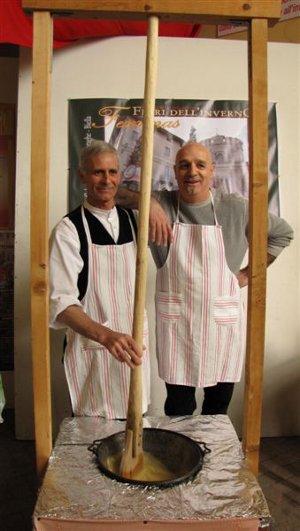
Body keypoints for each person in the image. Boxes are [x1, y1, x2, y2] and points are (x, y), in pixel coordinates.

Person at [117, 141, 294, 416]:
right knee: (178, 405)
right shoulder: (162, 202)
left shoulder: (237, 208)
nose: (192, 172)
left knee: (217, 405)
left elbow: (283, 233)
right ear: (175, 171)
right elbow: (109, 194)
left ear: (213, 171)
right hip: (177, 324)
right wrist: (148, 202)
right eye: (184, 165)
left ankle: (214, 457)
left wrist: (249, 273)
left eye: (200, 165)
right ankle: (180, 456)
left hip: (220, 322)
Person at [49, 140, 151, 418]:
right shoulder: (69, 230)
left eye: (113, 172)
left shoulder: (136, 221)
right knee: (92, 441)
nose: (107, 180)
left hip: (134, 347)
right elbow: (62, 303)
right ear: (82, 176)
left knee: (134, 427)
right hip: (93, 350)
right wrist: (105, 336)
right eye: (97, 173)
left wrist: (152, 204)